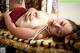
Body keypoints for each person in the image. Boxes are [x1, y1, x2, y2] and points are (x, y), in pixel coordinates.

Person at [1, 0, 80, 40]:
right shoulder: (53, 15)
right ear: (65, 18)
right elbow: (36, 12)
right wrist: (32, 9)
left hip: (8, 18)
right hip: (20, 9)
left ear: (55, 36)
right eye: (62, 23)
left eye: (58, 31)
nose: (56, 25)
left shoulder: (40, 33)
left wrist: (6, 15)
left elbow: (13, 30)